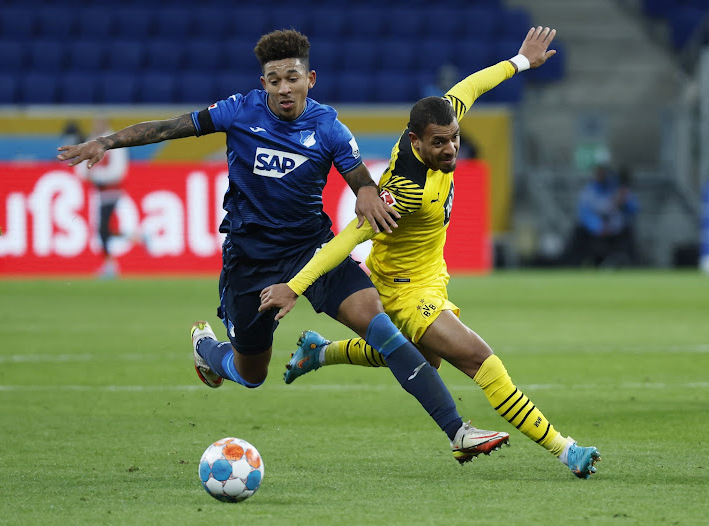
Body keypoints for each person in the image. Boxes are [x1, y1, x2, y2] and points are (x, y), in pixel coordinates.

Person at [57, 29, 509, 463]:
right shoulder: (239, 110)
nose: (284, 88)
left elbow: (359, 180)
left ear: (309, 80)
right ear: (264, 84)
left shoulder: (328, 127)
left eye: (292, 77)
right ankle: (207, 352)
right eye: (274, 80)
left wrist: (368, 192)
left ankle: (458, 432)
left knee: (382, 326)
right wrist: (108, 142)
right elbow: (174, 126)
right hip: (250, 259)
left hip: (311, 248)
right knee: (251, 374)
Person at [259, 27, 602, 479]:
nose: (451, 148)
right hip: (403, 291)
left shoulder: (441, 118)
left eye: (455, 138)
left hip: (430, 274)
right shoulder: (401, 191)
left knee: (423, 357)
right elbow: (345, 240)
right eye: (439, 143)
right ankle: (566, 449)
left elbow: (471, 86)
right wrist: (295, 287)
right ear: (415, 142)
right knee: (479, 359)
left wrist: (520, 62)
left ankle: (322, 352)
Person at [74, 116, 133, 279]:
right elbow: (81, 165)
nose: (96, 125)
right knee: (105, 229)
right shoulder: (91, 140)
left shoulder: (114, 142)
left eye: (99, 123)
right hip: (99, 192)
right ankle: (139, 237)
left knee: (102, 229)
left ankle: (110, 266)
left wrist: (95, 175)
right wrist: (85, 174)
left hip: (111, 191)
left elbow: (118, 171)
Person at [564, 163, 639, 267]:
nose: (602, 176)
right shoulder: (588, 192)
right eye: (599, 173)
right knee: (578, 232)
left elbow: (634, 209)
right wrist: (598, 227)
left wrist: (625, 200)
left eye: (604, 173)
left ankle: (628, 262)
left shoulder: (617, 189)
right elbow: (585, 213)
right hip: (596, 231)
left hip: (616, 230)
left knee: (628, 232)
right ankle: (574, 264)